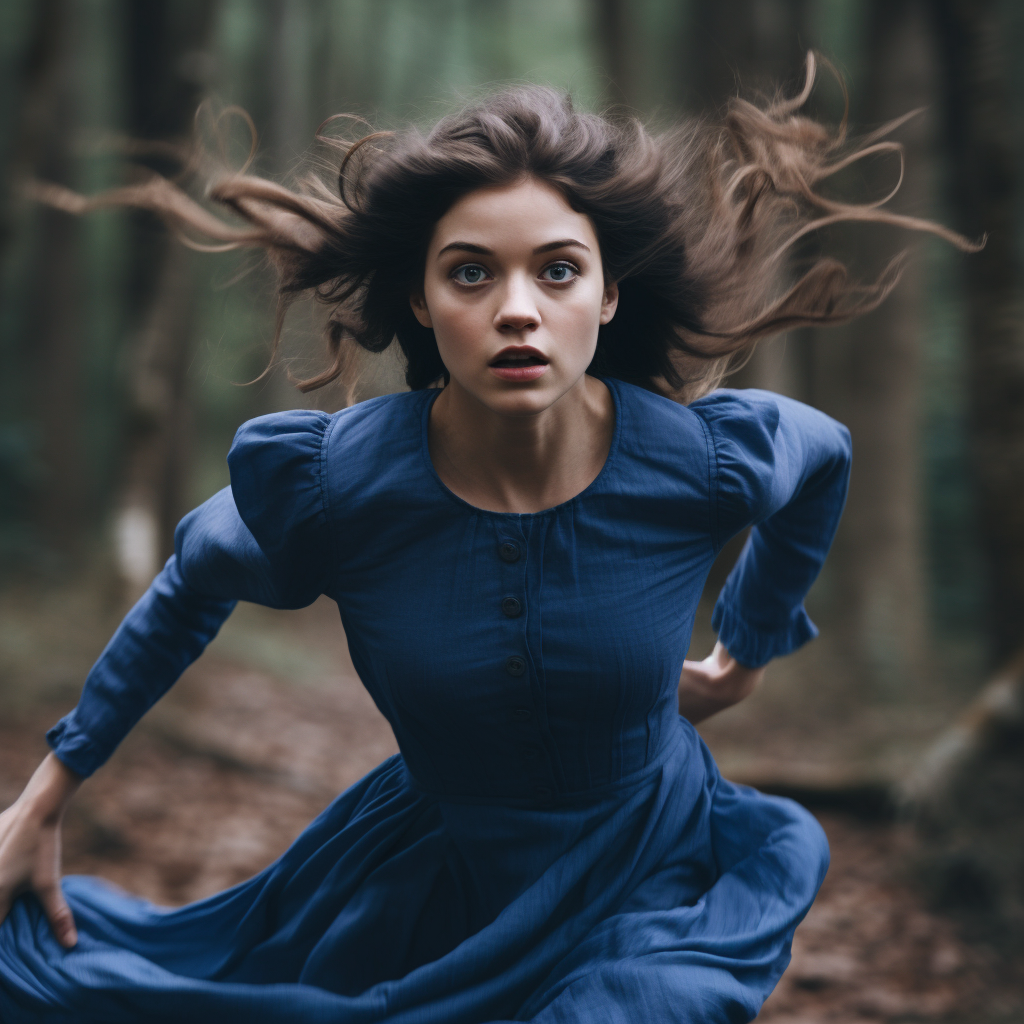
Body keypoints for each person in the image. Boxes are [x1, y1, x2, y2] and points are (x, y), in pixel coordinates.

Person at [0, 55, 973, 1023]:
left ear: (609, 295)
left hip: (653, 873)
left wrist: (748, 645)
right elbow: (187, 588)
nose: (517, 309)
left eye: (557, 271)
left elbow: (826, 460)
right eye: (471, 272)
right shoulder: (337, 486)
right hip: (431, 881)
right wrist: (44, 799)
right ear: (421, 301)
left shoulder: (704, 458)